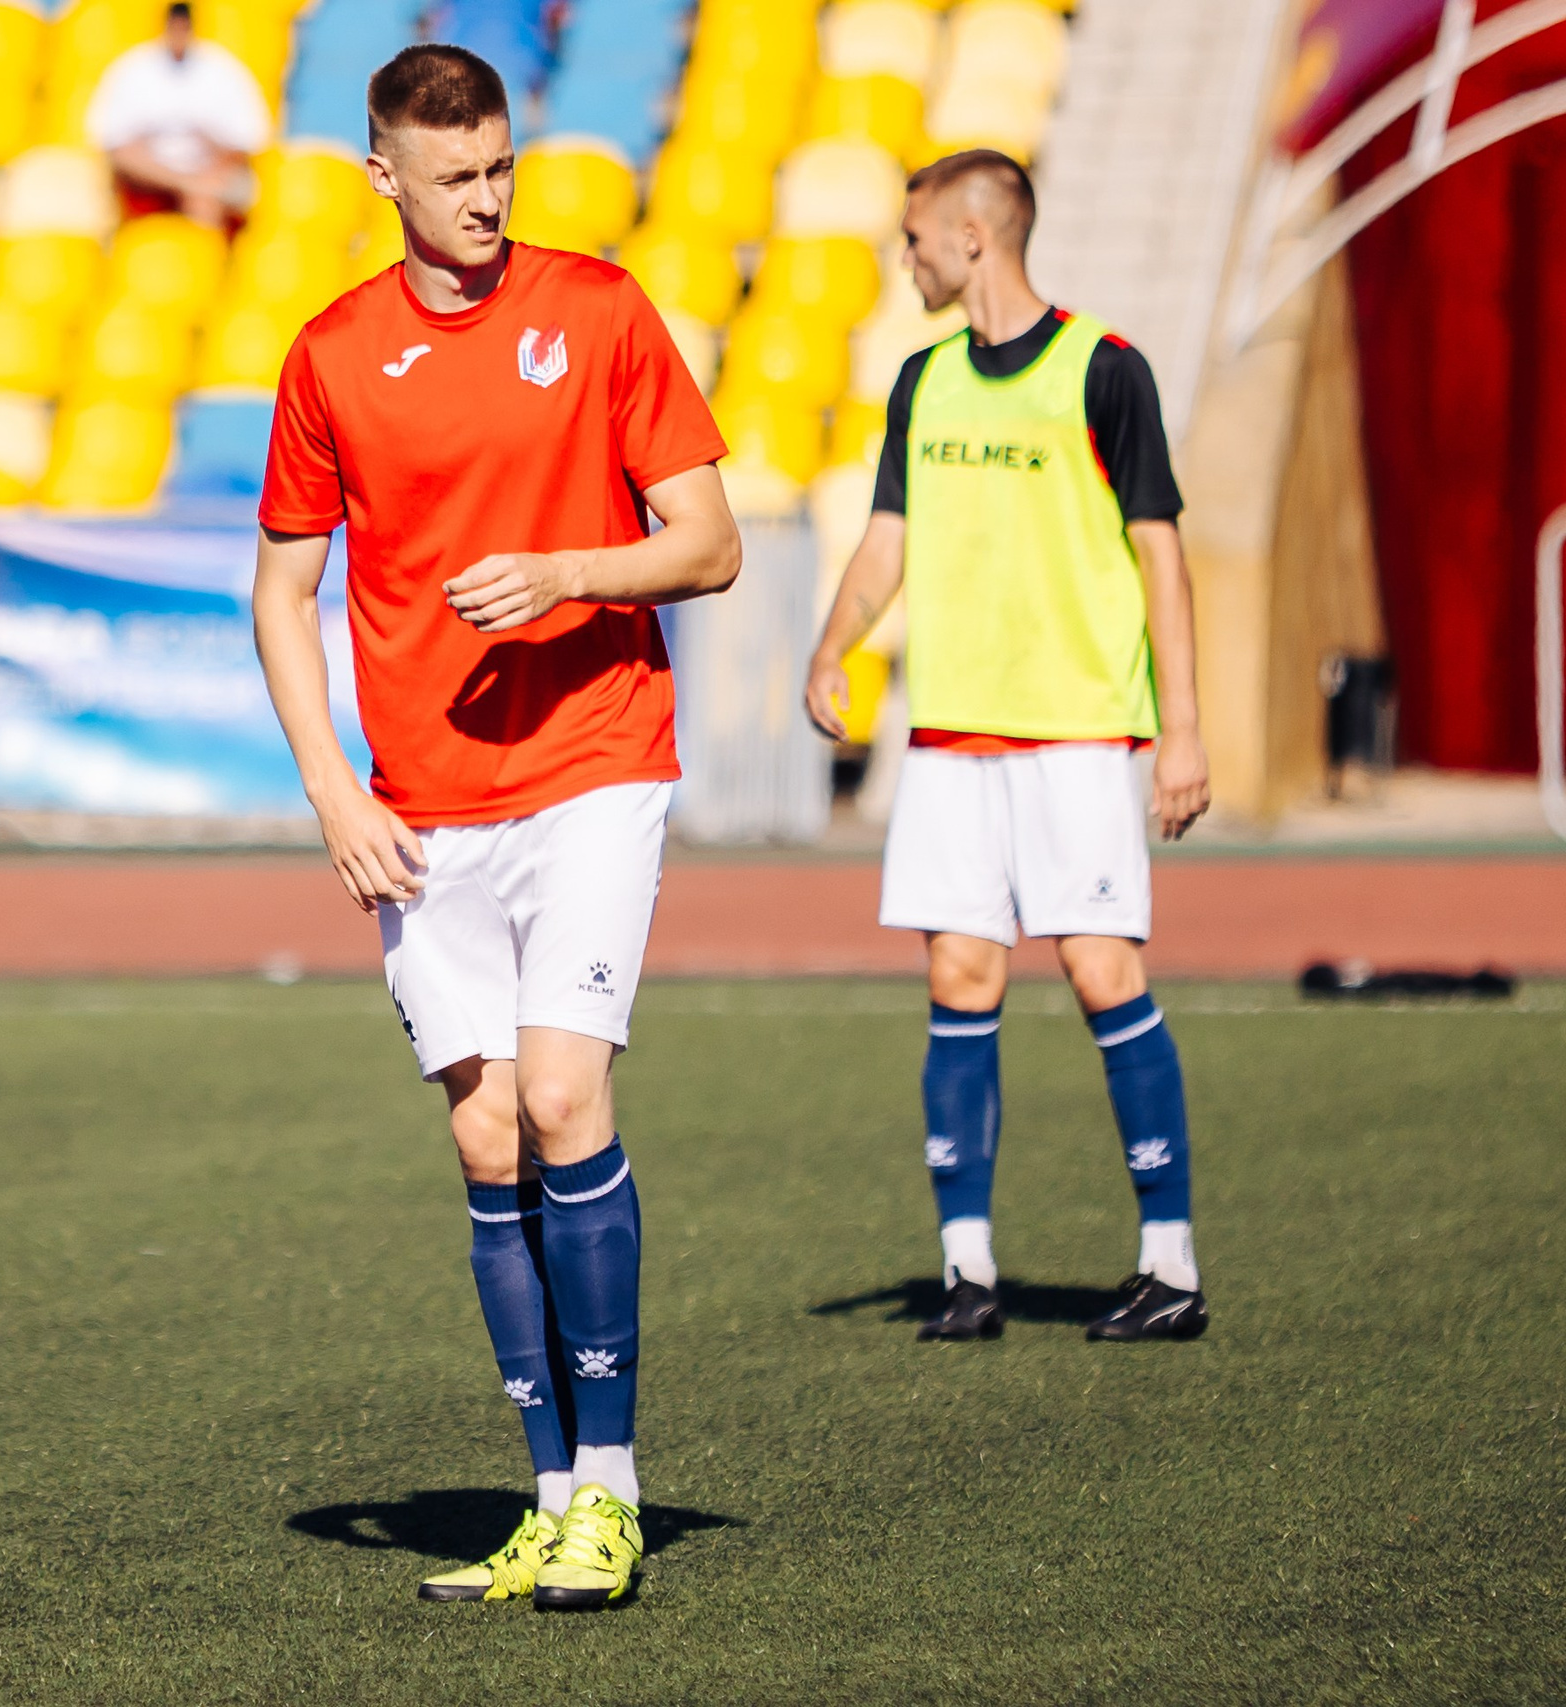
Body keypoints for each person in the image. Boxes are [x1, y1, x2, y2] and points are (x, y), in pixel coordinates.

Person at [252, 45, 742, 1609]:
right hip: (419, 804)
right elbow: (281, 589)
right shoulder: (331, 351)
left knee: (559, 1095)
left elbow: (711, 543)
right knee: (481, 1133)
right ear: (382, 175)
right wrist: (332, 787)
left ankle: (613, 1486)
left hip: (597, 762)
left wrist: (567, 575)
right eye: (455, 175)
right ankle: (545, 1494)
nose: (487, 199)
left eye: (503, 169)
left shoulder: (596, 310)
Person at [802, 150, 1212, 1346]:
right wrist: (835, 645)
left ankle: (1170, 1267)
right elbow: (888, 537)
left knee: (1101, 977)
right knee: (958, 984)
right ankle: (967, 1272)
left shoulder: (1105, 371)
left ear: (975, 237)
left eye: (917, 236)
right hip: (949, 740)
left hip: (1077, 731)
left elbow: (1162, 558)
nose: (907, 256)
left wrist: (1178, 729)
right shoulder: (922, 383)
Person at [85, 1, 270, 227]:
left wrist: (206, 173)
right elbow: (114, 144)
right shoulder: (133, 69)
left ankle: (203, 255)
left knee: (207, 201)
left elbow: (246, 143)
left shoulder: (224, 70)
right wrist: (184, 182)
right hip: (149, 176)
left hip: (210, 176)